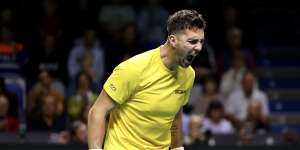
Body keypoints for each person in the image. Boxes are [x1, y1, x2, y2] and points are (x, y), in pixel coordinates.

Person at [88, 9, 206, 150]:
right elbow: (97, 111)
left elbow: (175, 114)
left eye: (201, 41)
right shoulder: (133, 69)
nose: (198, 47)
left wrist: (177, 147)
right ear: (173, 40)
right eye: (192, 41)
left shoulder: (188, 75)